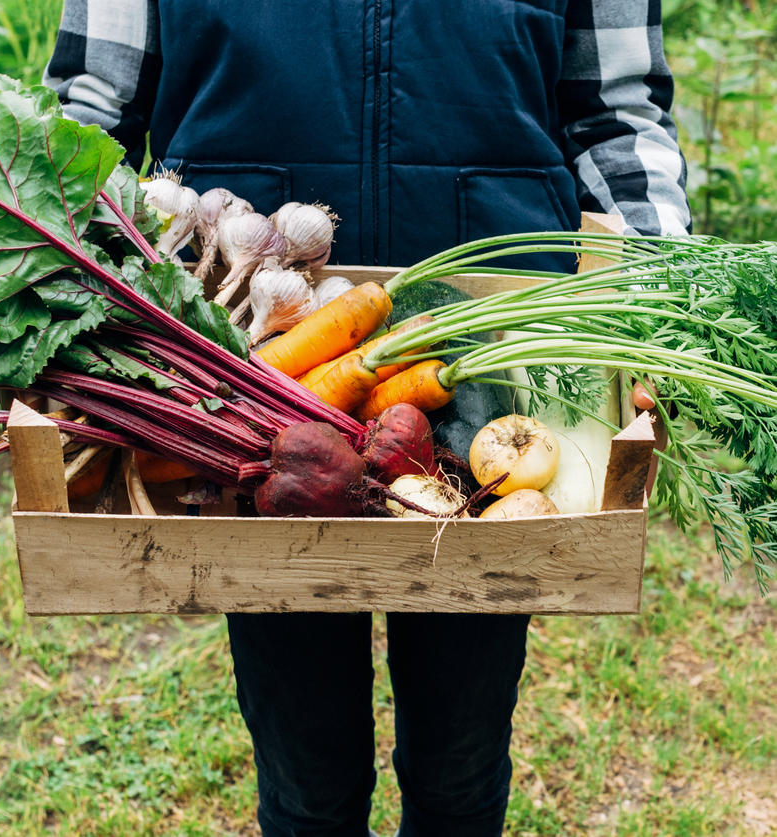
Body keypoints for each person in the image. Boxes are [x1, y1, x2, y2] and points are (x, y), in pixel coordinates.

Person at [44, 2, 690, 835]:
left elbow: (616, 114)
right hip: (249, 362)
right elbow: (91, 105)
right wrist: (49, 274)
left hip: (498, 357)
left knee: (461, 760)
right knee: (306, 774)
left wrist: (657, 297)